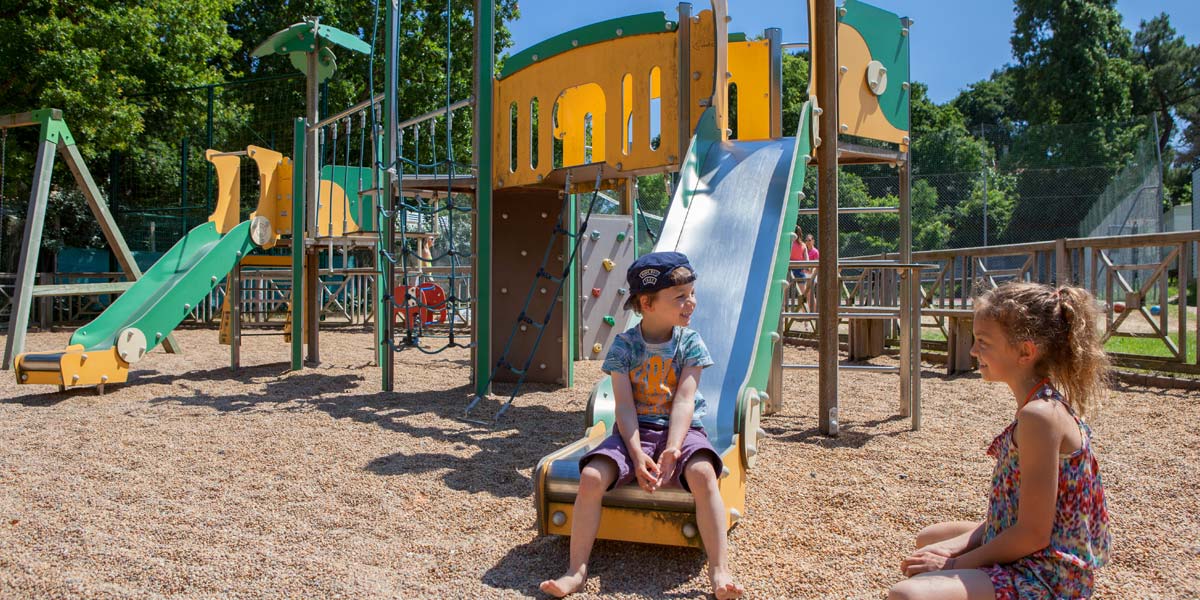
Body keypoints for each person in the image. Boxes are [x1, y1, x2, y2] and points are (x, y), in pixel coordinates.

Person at [540, 251, 744, 600]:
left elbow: (683, 401)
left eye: (692, 293)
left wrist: (672, 448)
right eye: (680, 297)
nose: (691, 303)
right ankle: (576, 570)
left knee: (703, 475)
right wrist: (635, 455)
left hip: (683, 430)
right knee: (590, 477)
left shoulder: (690, 344)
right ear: (647, 303)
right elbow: (624, 406)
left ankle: (719, 570)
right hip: (634, 430)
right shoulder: (624, 347)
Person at [888, 282, 1111, 600]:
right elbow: (1011, 517)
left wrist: (953, 562)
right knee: (929, 538)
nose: (973, 351)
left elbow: (1033, 534)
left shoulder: (1040, 416)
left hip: (1046, 576)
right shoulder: (1039, 404)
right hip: (1029, 550)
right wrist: (952, 554)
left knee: (908, 595)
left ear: (1025, 351)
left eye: (983, 342)